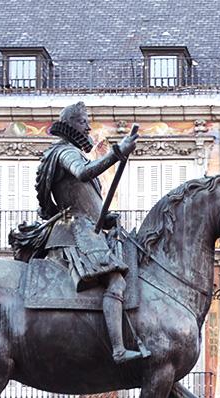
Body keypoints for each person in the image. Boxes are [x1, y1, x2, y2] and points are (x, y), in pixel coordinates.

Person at [35, 102, 148, 363]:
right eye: (84, 120)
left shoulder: (69, 152)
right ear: (71, 124)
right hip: (77, 231)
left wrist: (105, 217)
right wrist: (117, 153)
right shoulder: (65, 153)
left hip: (86, 226)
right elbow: (84, 173)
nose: (88, 126)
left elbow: (85, 200)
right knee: (116, 281)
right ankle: (118, 350)